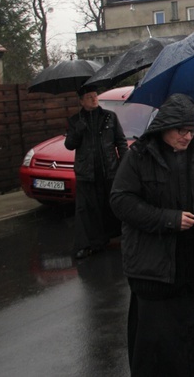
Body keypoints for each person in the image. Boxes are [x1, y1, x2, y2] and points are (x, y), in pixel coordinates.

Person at [110, 94, 194, 376]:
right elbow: (120, 201)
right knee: (156, 343)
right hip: (153, 269)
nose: (187, 136)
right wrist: (169, 219)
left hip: (192, 263)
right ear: (163, 128)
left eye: (193, 130)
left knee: (192, 336)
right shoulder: (139, 156)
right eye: (181, 130)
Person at [64, 85, 128, 260]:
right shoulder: (75, 120)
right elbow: (69, 145)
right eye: (89, 97)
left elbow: (120, 142)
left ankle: (124, 238)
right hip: (87, 173)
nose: (94, 99)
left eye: (95, 96)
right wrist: (78, 130)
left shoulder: (109, 117)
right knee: (86, 211)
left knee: (114, 205)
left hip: (109, 171)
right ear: (82, 101)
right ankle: (87, 245)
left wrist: (125, 165)